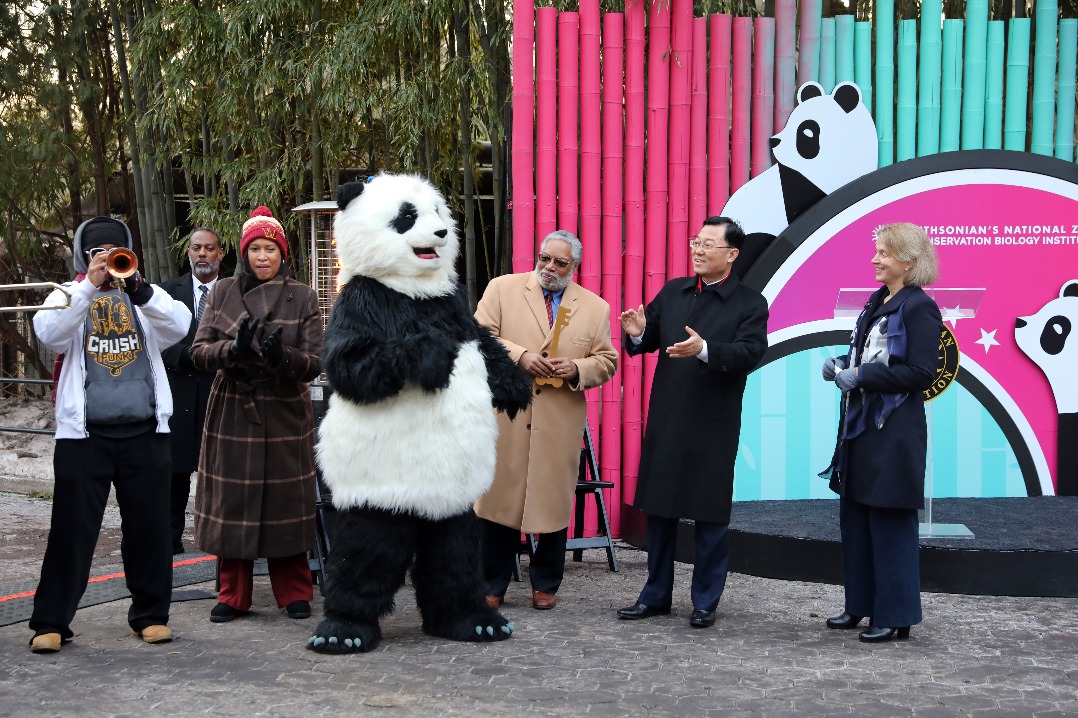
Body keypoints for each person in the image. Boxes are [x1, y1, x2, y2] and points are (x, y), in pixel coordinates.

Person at [28, 216, 192, 653]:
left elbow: (179, 326)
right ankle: (51, 622)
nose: (105, 257)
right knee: (71, 531)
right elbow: (48, 334)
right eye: (96, 251)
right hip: (85, 436)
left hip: (146, 431)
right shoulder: (66, 295)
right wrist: (86, 286)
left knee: (151, 530)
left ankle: (151, 615)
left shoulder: (145, 296)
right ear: (84, 255)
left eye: (113, 250)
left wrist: (138, 289)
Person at [616, 216, 768, 628]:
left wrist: (705, 349)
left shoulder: (749, 303)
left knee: (709, 516)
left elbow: (751, 353)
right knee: (660, 511)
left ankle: (705, 601)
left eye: (708, 245)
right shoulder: (673, 292)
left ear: (732, 255)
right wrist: (635, 332)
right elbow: (647, 340)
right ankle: (655, 596)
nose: (698, 251)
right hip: (668, 417)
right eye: (696, 242)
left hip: (713, 423)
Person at [189, 207, 323, 623]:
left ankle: (294, 592)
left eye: (270, 248)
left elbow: (315, 361)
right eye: (255, 249)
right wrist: (231, 351)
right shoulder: (223, 290)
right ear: (244, 253)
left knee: (287, 502)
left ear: (283, 253)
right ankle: (232, 594)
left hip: (283, 407)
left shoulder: (302, 295)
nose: (262, 257)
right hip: (234, 408)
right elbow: (197, 352)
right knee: (236, 502)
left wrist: (282, 356)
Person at [474, 230, 618, 610]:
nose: (549, 268)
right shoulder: (502, 289)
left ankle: (546, 584)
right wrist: (520, 355)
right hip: (507, 412)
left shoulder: (595, 307)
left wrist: (577, 367)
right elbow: (478, 336)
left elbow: (607, 361)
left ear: (575, 267)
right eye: (544, 258)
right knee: (498, 501)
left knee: (553, 502)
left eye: (560, 262)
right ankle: (491, 584)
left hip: (558, 417)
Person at [819, 222, 942, 643]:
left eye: (884, 253)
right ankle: (861, 605)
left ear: (907, 260)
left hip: (893, 433)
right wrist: (841, 364)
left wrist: (862, 376)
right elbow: (871, 354)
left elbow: (922, 372)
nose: (875, 259)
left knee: (889, 521)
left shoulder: (919, 306)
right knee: (855, 517)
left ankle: (895, 615)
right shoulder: (877, 301)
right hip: (861, 429)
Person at [160, 227, 224, 554]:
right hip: (178, 389)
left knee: (221, 472)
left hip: (221, 390)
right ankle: (170, 539)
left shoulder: (235, 292)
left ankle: (220, 539)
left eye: (209, 248)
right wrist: (188, 356)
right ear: (188, 253)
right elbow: (155, 340)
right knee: (176, 472)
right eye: (196, 248)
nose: (202, 254)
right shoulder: (166, 292)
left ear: (221, 254)